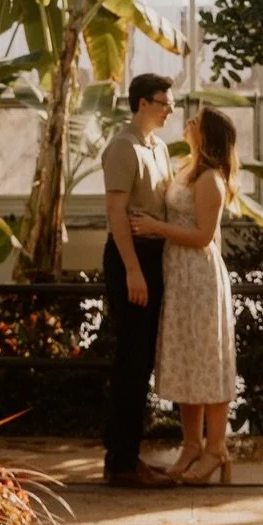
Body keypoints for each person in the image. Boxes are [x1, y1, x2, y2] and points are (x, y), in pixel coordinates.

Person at [131, 105, 239, 485]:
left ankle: (216, 449)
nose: (187, 123)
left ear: (206, 135)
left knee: (208, 360)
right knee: (188, 359)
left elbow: (203, 237)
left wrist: (156, 227)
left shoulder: (210, 179)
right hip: (179, 276)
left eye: (195, 122)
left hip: (199, 278)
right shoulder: (185, 169)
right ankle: (191, 444)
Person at [100, 72, 177, 487]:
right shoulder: (122, 147)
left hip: (152, 256)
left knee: (141, 359)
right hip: (131, 258)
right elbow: (116, 214)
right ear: (142, 104)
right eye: (163, 102)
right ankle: (121, 462)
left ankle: (129, 455)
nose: (169, 110)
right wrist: (132, 269)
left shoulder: (158, 148)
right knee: (130, 359)